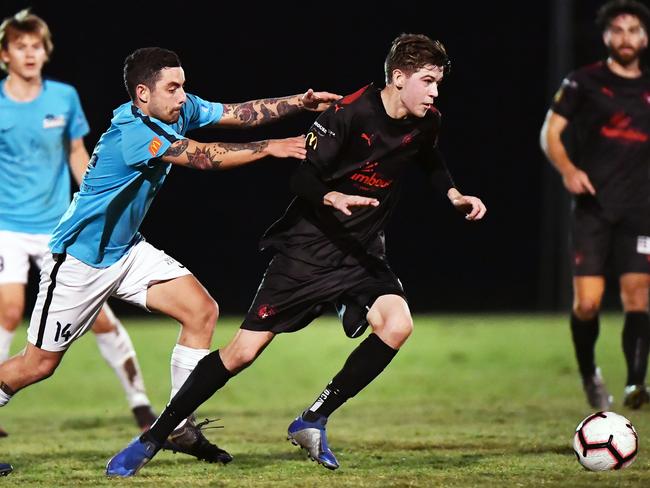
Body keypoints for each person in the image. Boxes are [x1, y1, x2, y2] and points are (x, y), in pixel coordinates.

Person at [107, 33, 487, 477]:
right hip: (308, 251)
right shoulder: (347, 114)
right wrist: (331, 198)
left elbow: (428, 158)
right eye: (428, 81)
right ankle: (154, 436)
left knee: (398, 324)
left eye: (438, 82)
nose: (435, 92)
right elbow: (302, 181)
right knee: (242, 353)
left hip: (361, 253)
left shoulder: (427, 121)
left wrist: (454, 194)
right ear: (399, 78)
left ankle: (312, 419)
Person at [0, 44, 339, 465]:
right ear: (143, 93)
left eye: (183, 87)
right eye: (173, 88)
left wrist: (300, 103)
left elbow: (236, 112)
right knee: (37, 365)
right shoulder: (133, 132)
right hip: (80, 261)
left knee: (200, 311)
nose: (183, 96)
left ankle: (178, 425)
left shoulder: (174, 111)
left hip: (126, 251)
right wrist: (269, 147)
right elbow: (202, 157)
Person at [0, 9, 157, 435]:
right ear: (5, 54)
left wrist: (100, 203)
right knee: (10, 309)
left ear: (45, 52)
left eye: (37, 46)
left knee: (101, 318)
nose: (30, 54)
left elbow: (76, 153)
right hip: (8, 227)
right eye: (21, 46)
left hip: (57, 227)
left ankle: (141, 403)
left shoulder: (63, 97)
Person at [540, 0, 650, 411]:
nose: (626, 38)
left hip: (640, 209)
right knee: (587, 303)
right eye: (618, 30)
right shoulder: (582, 82)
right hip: (593, 207)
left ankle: (635, 384)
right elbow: (550, 133)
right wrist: (568, 169)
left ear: (645, 37)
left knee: (638, 295)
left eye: (634, 30)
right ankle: (589, 372)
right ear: (606, 36)